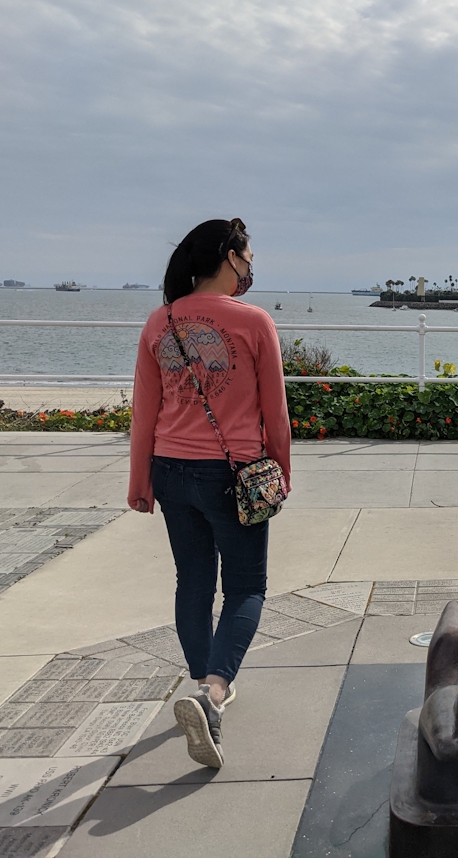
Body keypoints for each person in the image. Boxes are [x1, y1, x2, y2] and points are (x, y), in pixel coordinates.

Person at [127, 218, 291, 768]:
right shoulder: (254, 322)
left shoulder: (160, 320)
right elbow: (276, 414)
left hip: (170, 469)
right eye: (247, 257)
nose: (250, 268)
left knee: (193, 580)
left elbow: (144, 412)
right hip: (234, 472)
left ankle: (201, 682)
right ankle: (214, 692)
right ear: (228, 256)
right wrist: (280, 474)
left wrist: (139, 480)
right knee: (246, 586)